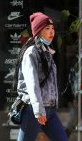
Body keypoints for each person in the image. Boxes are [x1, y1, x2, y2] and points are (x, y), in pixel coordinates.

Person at [15, 12, 68, 141]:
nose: (51, 32)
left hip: (49, 110)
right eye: (47, 29)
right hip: (33, 109)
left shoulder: (47, 52)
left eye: (52, 28)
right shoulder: (31, 53)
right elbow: (32, 83)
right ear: (38, 31)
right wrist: (38, 110)